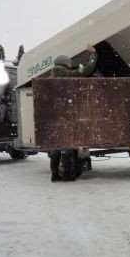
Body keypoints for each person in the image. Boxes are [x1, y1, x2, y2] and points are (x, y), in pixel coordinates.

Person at [49, 43, 98, 182]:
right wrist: (93, 53)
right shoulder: (67, 75)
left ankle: (55, 175)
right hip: (67, 115)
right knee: (69, 146)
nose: (71, 63)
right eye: (69, 62)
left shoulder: (51, 77)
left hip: (55, 116)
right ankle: (69, 174)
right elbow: (87, 70)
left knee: (56, 146)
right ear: (65, 64)